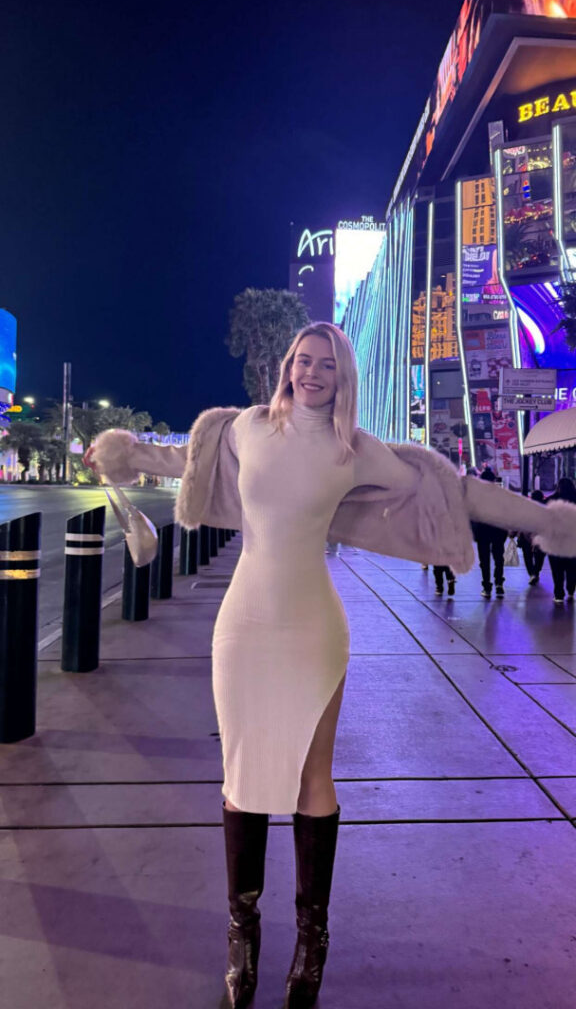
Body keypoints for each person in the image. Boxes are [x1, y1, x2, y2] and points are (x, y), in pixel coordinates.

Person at [85, 323, 576, 1009]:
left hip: (313, 627)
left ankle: (311, 940)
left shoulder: (356, 449)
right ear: (288, 366)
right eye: (302, 361)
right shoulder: (247, 427)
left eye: (326, 365)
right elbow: (180, 459)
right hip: (243, 626)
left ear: (343, 376)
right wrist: (121, 454)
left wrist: (546, 521)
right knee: (241, 777)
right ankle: (242, 936)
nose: (311, 373)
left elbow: (452, 490)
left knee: (314, 777)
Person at [470, 467, 508, 598]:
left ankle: (487, 587)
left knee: (484, 560)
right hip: (498, 531)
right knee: (498, 558)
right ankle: (499, 584)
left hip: (482, 532)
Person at [546, 477, 576, 603]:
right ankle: (571, 589)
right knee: (572, 566)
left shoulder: (551, 500)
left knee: (557, 568)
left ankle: (558, 594)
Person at [517, 489, 546, 585]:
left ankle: (532, 574)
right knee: (539, 556)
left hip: (526, 536)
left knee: (527, 556)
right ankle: (536, 572)